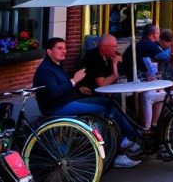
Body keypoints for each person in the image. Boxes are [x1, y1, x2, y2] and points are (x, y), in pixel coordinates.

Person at [33, 38, 141, 169]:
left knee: (109, 102)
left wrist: (78, 87)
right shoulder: (46, 70)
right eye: (59, 48)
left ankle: (126, 139)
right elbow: (54, 92)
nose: (64, 51)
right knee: (105, 109)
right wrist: (74, 81)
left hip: (67, 101)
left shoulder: (57, 65)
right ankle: (122, 146)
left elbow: (64, 86)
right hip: (57, 107)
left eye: (65, 48)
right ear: (49, 51)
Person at [142, 35, 173, 130]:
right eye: (171, 46)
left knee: (147, 96)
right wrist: (155, 77)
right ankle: (153, 125)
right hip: (165, 90)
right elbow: (162, 76)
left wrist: (168, 84)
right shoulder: (167, 62)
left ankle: (147, 127)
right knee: (146, 94)